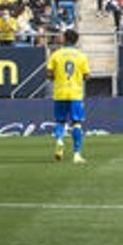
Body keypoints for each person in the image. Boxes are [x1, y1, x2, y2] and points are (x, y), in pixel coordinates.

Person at [46, 29, 90, 163]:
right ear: (76, 40)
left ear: (65, 39)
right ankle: (77, 154)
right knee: (76, 123)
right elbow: (86, 75)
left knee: (60, 121)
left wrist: (57, 77)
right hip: (75, 93)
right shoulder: (81, 56)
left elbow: (48, 74)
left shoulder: (56, 54)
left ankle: (59, 139)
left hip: (60, 92)